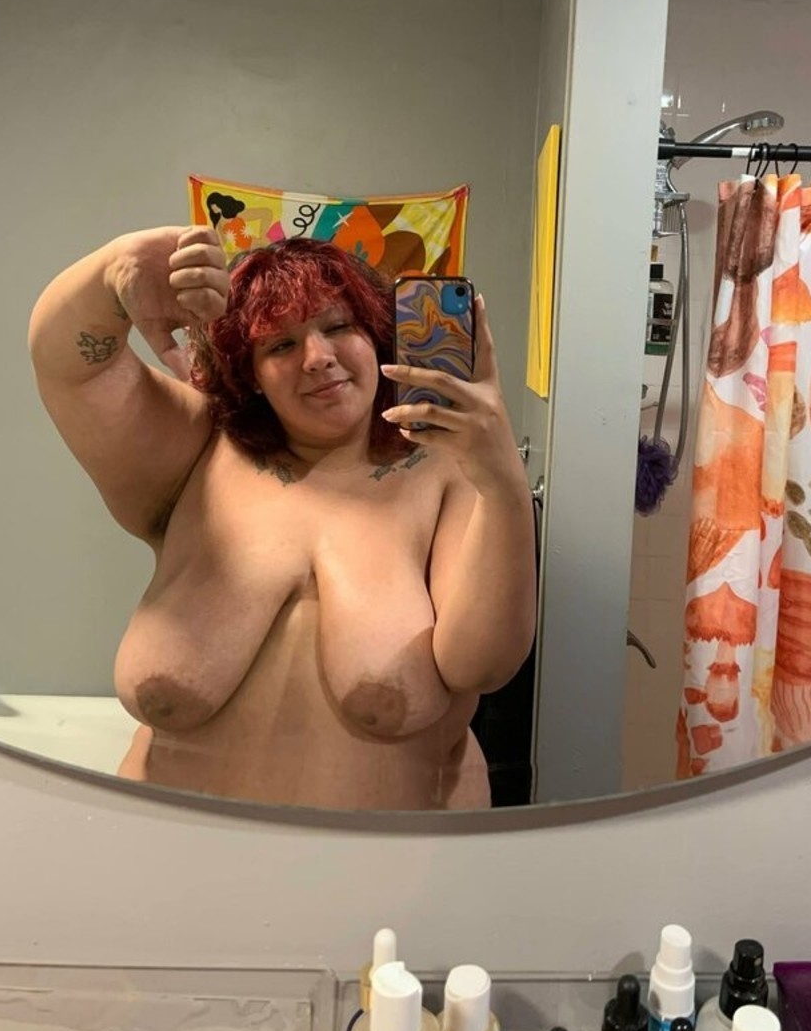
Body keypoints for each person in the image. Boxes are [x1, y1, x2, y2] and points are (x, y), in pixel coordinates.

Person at [27, 225, 537, 811]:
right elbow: (71, 366)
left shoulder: (448, 472)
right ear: (249, 374)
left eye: (338, 326)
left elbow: (483, 665)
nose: (318, 359)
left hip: (389, 864)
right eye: (280, 346)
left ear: (377, 336)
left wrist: (502, 480)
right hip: (161, 854)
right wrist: (116, 270)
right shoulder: (195, 451)